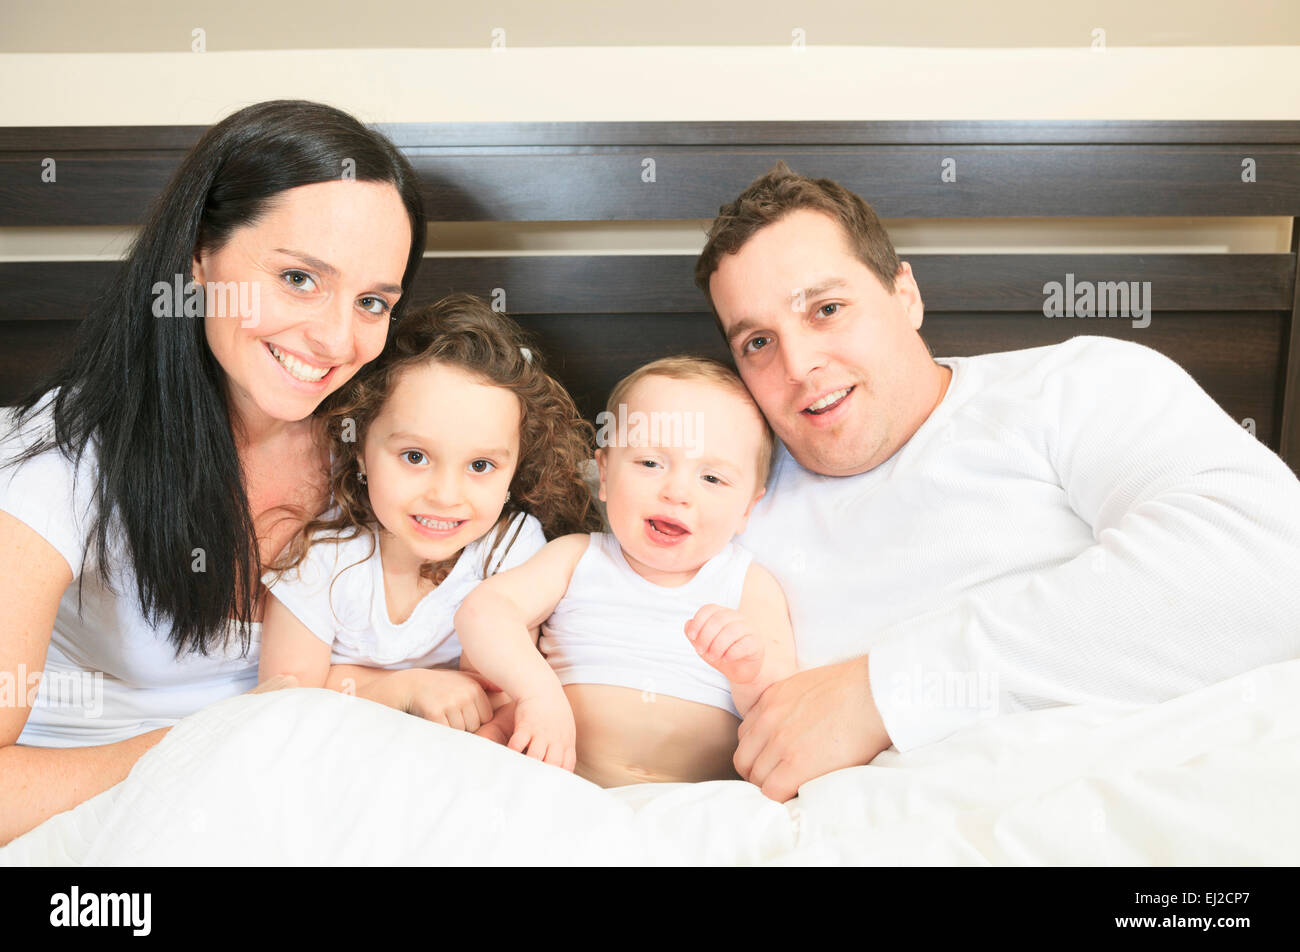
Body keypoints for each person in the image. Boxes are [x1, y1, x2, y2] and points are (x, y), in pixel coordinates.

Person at [694, 161, 1300, 802]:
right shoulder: (719, 499)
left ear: (906, 296)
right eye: (758, 341)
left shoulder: (1073, 386)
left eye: (827, 308)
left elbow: (1271, 567)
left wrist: (883, 692)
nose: (799, 364)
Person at [0, 99, 429, 844]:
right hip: (98, 811)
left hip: (298, 798)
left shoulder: (389, 449)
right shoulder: (61, 457)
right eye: (299, 278)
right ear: (199, 257)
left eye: (371, 301)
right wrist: (230, 743)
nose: (335, 337)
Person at [257, 295, 601, 730]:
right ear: (361, 448)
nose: (445, 496)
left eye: (480, 466)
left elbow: (492, 692)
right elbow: (279, 699)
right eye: (415, 456)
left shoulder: (508, 548)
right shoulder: (321, 560)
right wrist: (404, 690)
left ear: (515, 466)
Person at [455, 356, 797, 785]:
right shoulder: (577, 558)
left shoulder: (748, 583)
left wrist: (749, 668)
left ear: (748, 508)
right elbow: (483, 611)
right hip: (560, 780)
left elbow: (783, 704)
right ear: (604, 470)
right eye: (650, 463)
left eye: (712, 478)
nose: (676, 492)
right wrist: (536, 693)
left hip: (695, 800)